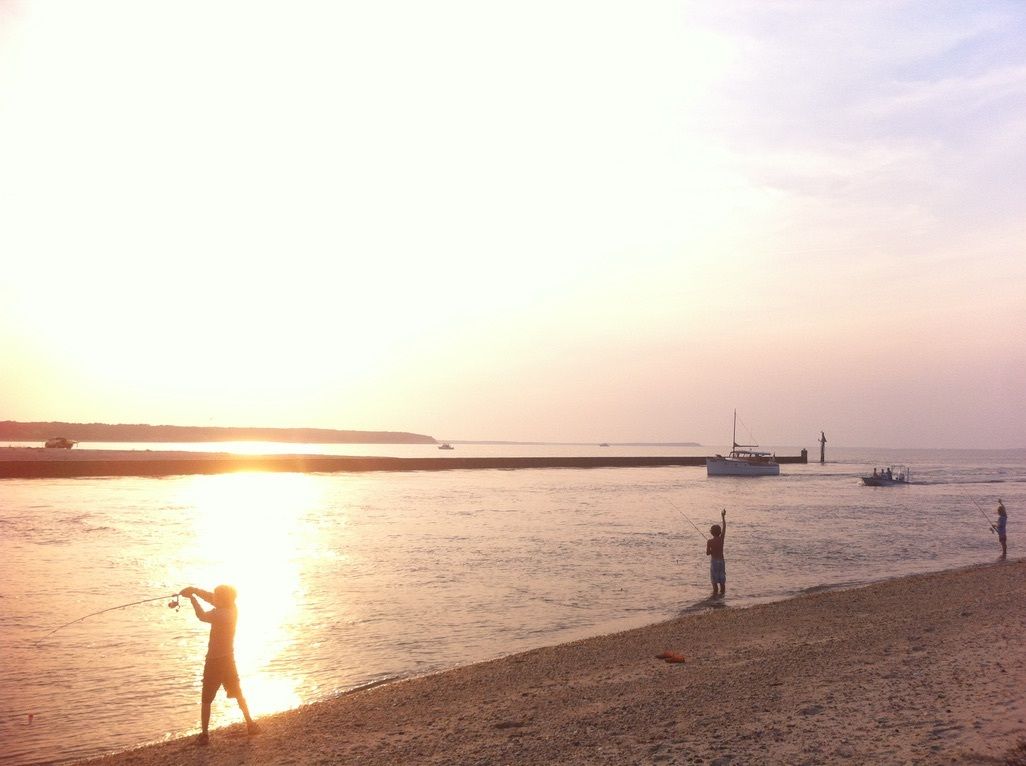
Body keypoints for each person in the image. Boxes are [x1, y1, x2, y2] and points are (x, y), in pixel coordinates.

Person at [179, 584, 259, 745]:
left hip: (214, 661)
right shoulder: (232, 609)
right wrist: (194, 590)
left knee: (206, 698)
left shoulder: (220, 614)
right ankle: (250, 724)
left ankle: (204, 734)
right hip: (228, 659)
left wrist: (193, 599)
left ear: (221, 599)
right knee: (237, 692)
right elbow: (211, 598)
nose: (213, 597)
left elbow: (201, 616)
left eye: (216, 596)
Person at [706, 509, 727, 598]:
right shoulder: (721, 539)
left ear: (711, 532)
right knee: (722, 582)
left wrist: (712, 550)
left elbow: (707, 553)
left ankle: (715, 600)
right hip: (721, 562)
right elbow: (724, 527)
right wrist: (723, 517)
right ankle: (722, 598)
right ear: (719, 532)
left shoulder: (709, 541)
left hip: (714, 562)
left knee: (714, 583)